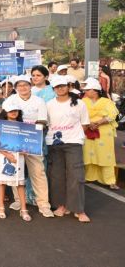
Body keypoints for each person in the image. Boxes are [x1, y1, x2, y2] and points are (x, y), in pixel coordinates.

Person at [3, 75, 54, 218]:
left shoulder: (39, 101)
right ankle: (19, 200)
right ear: (15, 87)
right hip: (15, 140)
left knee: (38, 172)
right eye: (19, 85)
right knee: (16, 172)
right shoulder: (10, 100)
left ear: (30, 85)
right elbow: (5, 120)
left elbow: (42, 121)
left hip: (33, 140)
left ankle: (44, 205)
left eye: (25, 85)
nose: (23, 88)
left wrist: (29, 135)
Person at [46, 75, 91, 223]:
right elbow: (47, 124)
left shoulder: (79, 103)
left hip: (73, 142)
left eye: (63, 86)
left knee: (76, 175)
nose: (60, 88)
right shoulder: (49, 104)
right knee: (56, 176)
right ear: (53, 89)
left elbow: (85, 124)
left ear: (68, 86)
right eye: (57, 87)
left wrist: (75, 136)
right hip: (54, 143)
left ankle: (78, 209)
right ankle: (61, 205)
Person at [0, 100, 31, 221]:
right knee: (2, 182)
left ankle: (23, 209)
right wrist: (7, 155)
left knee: (20, 183)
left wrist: (26, 150)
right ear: (5, 112)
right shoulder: (0, 125)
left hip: (18, 156)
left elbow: (27, 142)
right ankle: (1, 207)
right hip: (2, 156)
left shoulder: (23, 126)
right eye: (11, 111)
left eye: (16, 110)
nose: (14, 112)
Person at [81, 77, 119, 189]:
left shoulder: (107, 102)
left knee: (106, 155)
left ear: (95, 90)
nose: (86, 92)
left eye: (88, 90)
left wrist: (98, 123)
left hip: (104, 131)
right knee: (88, 154)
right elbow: (79, 114)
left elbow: (112, 115)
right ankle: (89, 176)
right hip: (87, 129)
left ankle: (110, 180)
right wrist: (89, 123)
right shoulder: (83, 101)